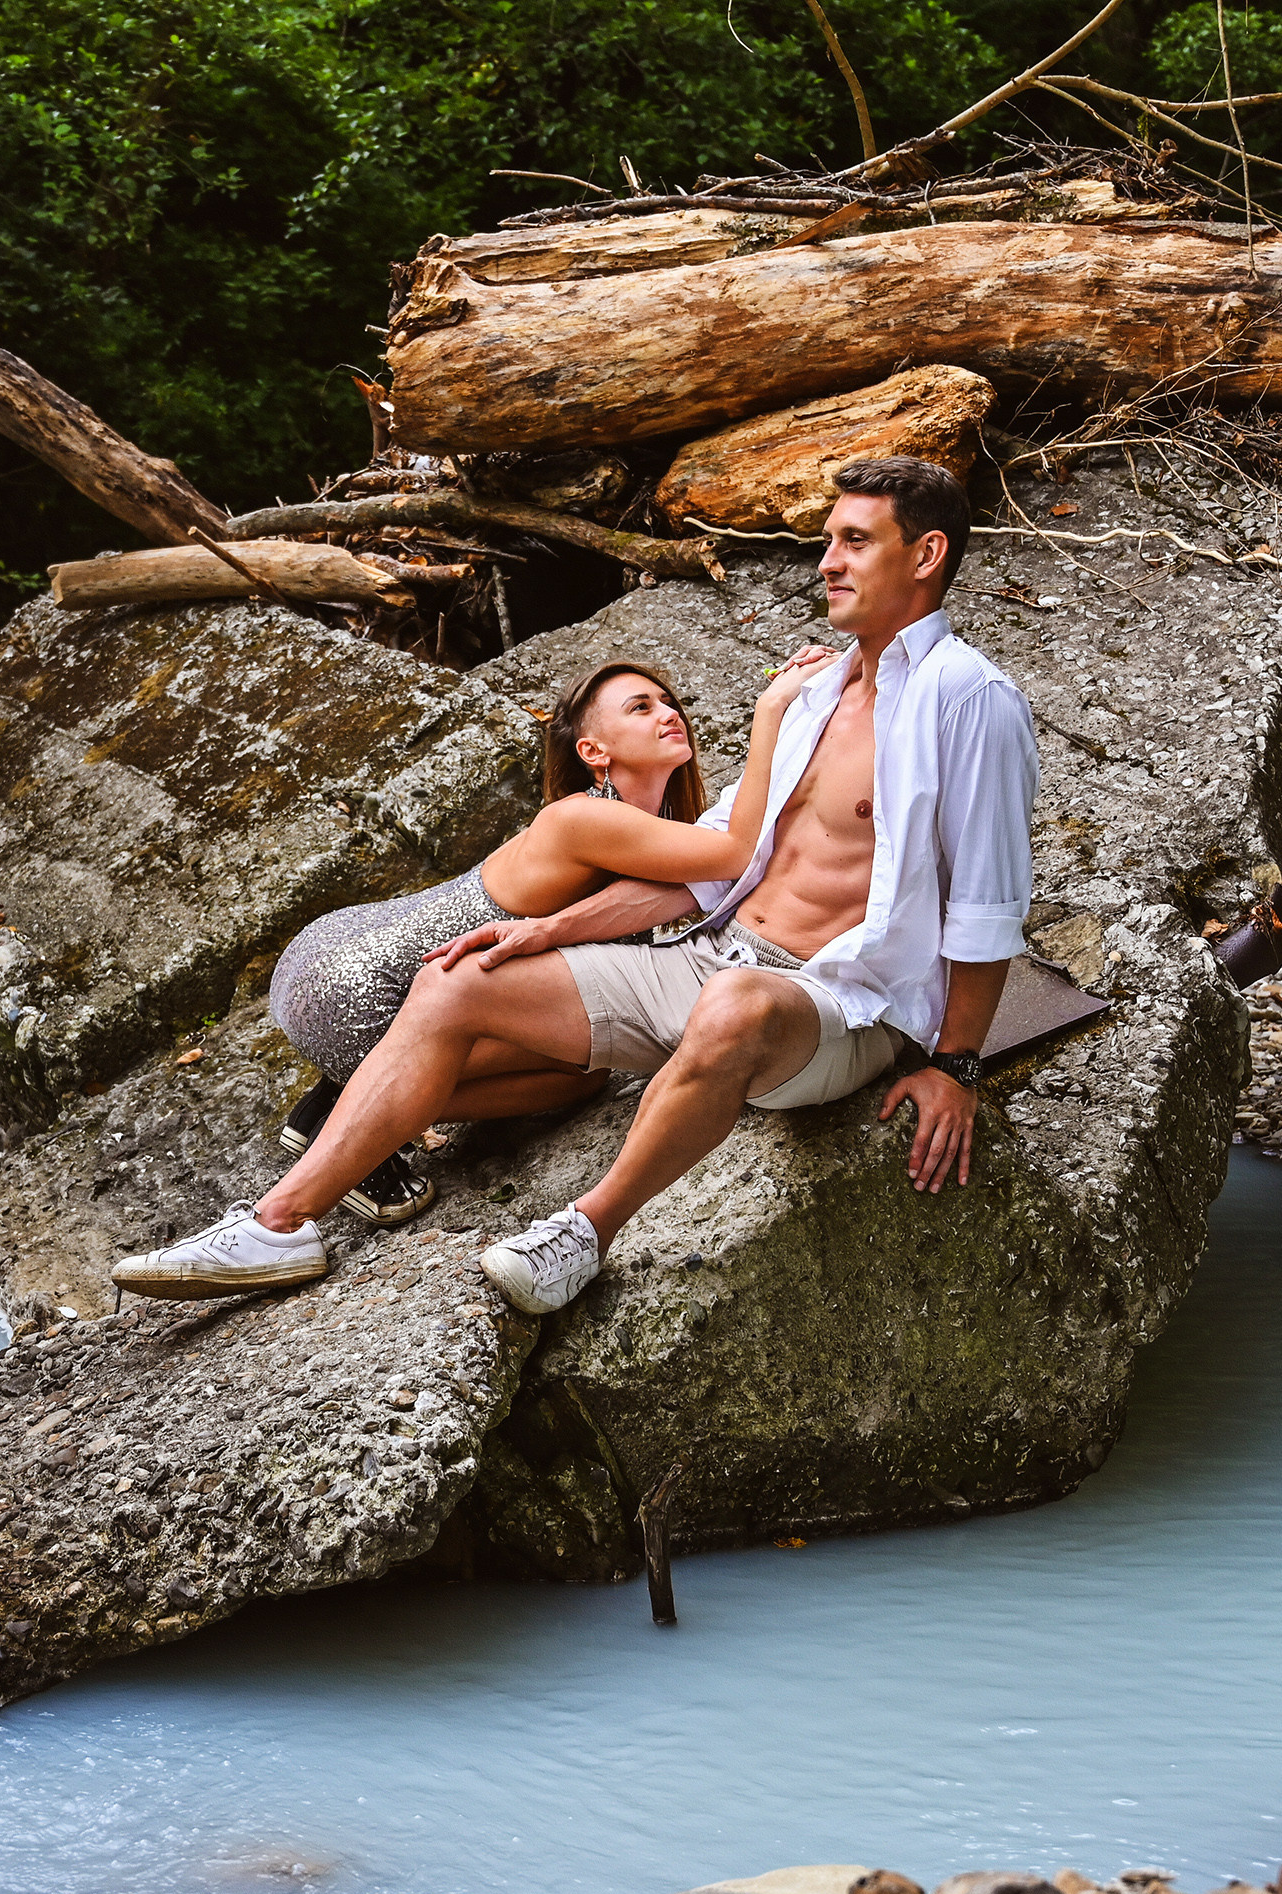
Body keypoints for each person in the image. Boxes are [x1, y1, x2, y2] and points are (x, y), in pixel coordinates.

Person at [112, 455, 1036, 1311]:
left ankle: (584, 1232)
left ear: (926, 555)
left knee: (739, 1008)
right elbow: (721, 870)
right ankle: (281, 1225)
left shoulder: (972, 701)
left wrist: (952, 1066)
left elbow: (988, 909)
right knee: (455, 981)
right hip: (708, 961)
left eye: (853, 541)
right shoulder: (817, 692)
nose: (827, 561)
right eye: (828, 539)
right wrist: (548, 933)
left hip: (831, 1008)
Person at [264, 653, 833, 1226]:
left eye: (668, 703)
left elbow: (717, 873)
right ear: (593, 752)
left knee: (584, 1064)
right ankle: (352, 1119)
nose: (667, 714)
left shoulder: (646, 828)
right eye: (641, 707)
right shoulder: (583, 819)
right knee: (579, 1073)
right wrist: (773, 711)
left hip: (347, 956)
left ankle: (334, 1099)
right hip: (356, 985)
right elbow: (738, 853)